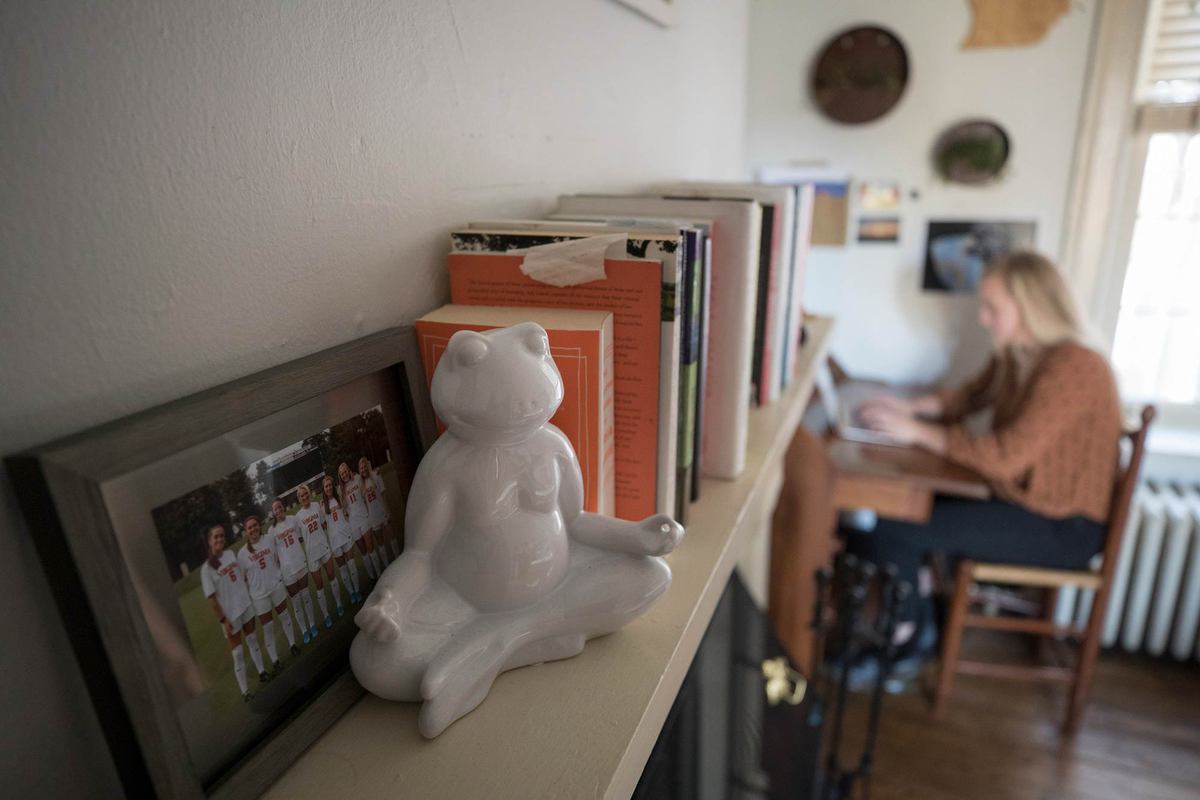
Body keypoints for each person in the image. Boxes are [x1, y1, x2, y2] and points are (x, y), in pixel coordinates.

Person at [847, 251, 1122, 670]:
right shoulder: (1019, 355)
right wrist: (911, 410)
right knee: (898, 511)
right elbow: (969, 397)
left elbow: (1005, 458)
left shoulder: (1075, 367)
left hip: (1064, 526)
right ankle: (918, 622)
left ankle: (905, 642)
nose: (983, 319)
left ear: (1030, 307)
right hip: (1024, 505)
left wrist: (917, 432)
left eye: (993, 308)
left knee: (894, 528)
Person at [200, 523, 269, 701]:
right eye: (216, 536)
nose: (219, 539)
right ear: (209, 541)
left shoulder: (231, 554)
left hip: (245, 606)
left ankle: (262, 672)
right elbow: (212, 599)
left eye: (222, 536)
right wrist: (223, 620)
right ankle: (245, 691)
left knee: (253, 640)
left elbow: (241, 577)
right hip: (230, 616)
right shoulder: (207, 569)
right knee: (237, 653)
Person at [237, 514, 301, 662]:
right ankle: (275, 660)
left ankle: (292, 644)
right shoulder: (242, 553)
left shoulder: (269, 539)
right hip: (259, 596)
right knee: (268, 628)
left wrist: (277, 576)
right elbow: (242, 578)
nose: (253, 529)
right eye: (249, 527)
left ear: (259, 525)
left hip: (275, 586)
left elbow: (278, 558)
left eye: (255, 525)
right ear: (246, 531)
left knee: (285, 616)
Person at [268, 497, 320, 643]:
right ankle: (304, 630)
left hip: (300, 564)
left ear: (283, 507)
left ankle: (312, 625)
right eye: (275, 509)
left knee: (306, 597)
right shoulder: (271, 531)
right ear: (273, 513)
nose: (278, 510)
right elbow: (273, 555)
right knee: (296, 602)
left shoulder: (293, 519)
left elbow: (302, 538)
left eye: (279, 507)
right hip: (287, 571)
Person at [293, 483, 344, 627]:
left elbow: (323, 524)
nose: (304, 497)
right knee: (319, 585)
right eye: (301, 496)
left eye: (305, 494)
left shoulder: (317, 506)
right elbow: (300, 538)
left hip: (324, 548)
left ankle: (339, 604)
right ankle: (326, 615)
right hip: (311, 554)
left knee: (331, 576)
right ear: (299, 499)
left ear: (309, 494)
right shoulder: (297, 517)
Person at [322, 474, 364, 605]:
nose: (328, 488)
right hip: (335, 541)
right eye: (326, 486)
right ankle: (351, 593)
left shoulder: (339, 496)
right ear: (323, 489)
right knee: (343, 569)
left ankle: (357, 590)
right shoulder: (322, 506)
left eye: (330, 485)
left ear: (333, 486)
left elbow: (351, 482)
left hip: (346, 535)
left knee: (351, 564)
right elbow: (323, 525)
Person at [338, 461, 384, 581]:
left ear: (349, 470)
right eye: (342, 473)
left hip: (364, 517)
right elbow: (342, 509)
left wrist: (375, 472)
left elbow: (368, 476)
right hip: (353, 524)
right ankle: (372, 577)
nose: (344, 474)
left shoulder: (357, 478)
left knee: (370, 547)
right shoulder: (340, 490)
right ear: (340, 476)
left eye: (345, 471)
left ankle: (379, 574)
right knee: (363, 552)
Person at [359, 456, 399, 562]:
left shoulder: (376, 476)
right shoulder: (361, 485)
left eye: (364, 467)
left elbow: (383, 494)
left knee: (391, 536)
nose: (363, 469)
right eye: (361, 468)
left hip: (382, 511)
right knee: (380, 543)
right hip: (373, 516)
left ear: (368, 466)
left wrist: (387, 511)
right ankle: (386, 565)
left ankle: (398, 558)